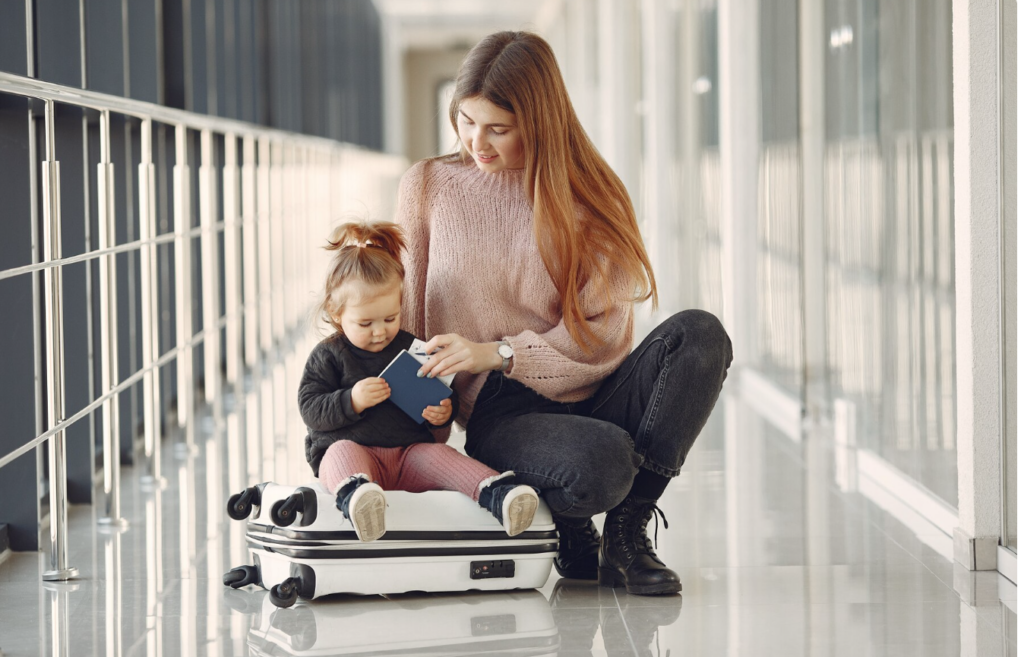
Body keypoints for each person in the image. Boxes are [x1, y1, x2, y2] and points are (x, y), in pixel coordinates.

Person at [396, 32, 732, 595]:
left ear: (539, 122)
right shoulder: (428, 186)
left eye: (498, 128)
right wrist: (406, 431)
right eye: (466, 120)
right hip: (502, 411)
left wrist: (500, 351)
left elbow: (604, 338)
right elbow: (408, 321)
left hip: (594, 386)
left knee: (701, 335)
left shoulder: (592, 196)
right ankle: (572, 521)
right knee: (603, 463)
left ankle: (627, 532)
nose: (477, 142)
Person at [297, 221, 540, 542]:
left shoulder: (412, 348)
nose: (380, 331)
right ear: (336, 312)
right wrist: (351, 400)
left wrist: (444, 411)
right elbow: (310, 408)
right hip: (356, 453)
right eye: (365, 323)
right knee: (339, 452)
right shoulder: (329, 354)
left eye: (390, 318)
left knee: (441, 456)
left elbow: (440, 392)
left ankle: (498, 494)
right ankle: (358, 499)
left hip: (409, 454)